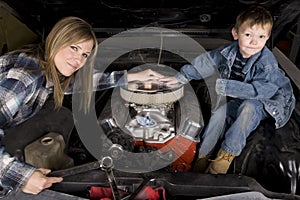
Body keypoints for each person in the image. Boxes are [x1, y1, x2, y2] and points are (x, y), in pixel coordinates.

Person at [0, 16, 163, 196]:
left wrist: (129, 78)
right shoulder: (25, 78)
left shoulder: (45, 64)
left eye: (85, 54)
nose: (78, 59)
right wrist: (20, 176)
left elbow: (79, 82)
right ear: (58, 39)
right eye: (74, 48)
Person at [162, 5, 295, 174]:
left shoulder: (267, 63)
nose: (254, 42)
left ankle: (224, 159)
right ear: (235, 34)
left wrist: (225, 86)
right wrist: (180, 78)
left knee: (248, 108)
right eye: (248, 35)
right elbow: (206, 62)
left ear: (267, 38)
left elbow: (262, 91)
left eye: (261, 37)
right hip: (242, 94)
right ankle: (202, 157)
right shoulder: (228, 51)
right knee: (219, 115)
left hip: (268, 100)